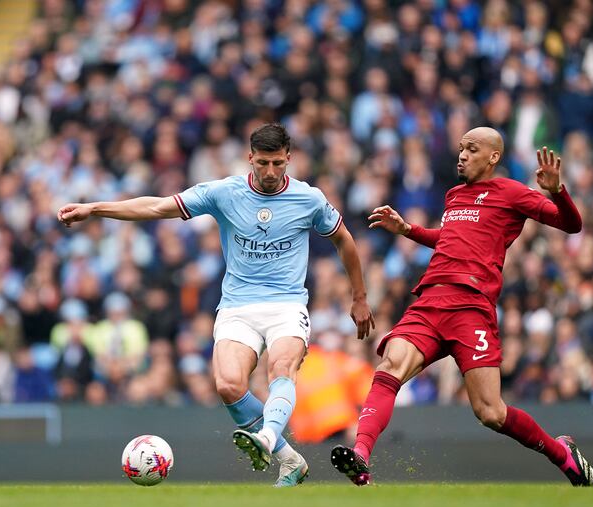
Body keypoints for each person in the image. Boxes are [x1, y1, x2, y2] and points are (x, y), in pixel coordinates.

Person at [58, 123, 375, 486]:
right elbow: (157, 206)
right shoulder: (224, 192)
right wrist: (94, 208)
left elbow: (344, 241)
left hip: (286, 305)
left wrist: (360, 297)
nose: (270, 172)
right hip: (238, 306)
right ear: (250, 158)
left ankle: (267, 438)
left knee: (282, 369)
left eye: (277, 164)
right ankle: (290, 461)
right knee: (227, 384)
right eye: (263, 163)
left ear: (289, 159)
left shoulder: (309, 199)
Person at [330, 127, 593, 486]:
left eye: (472, 149)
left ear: (493, 157)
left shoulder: (512, 192)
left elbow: (572, 224)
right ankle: (360, 456)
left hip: (471, 306)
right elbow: (450, 239)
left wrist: (556, 191)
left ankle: (562, 455)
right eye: (460, 149)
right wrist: (408, 229)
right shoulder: (455, 195)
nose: (462, 155)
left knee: (490, 412)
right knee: (390, 365)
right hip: (430, 301)